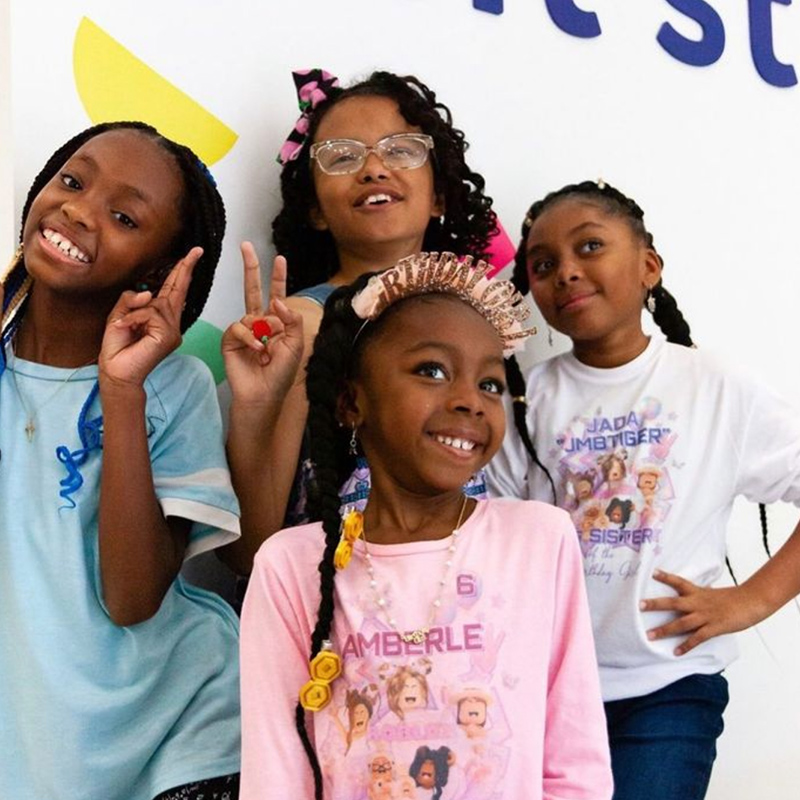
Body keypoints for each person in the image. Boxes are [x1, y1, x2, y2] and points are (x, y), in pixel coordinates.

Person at [240, 252, 613, 799]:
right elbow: (275, 776)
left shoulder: (540, 540)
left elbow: (575, 764)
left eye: (490, 384)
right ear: (351, 402)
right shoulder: (290, 565)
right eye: (432, 371)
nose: (470, 401)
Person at [486, 179, 800, 800]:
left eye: (590, 246)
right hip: (549, 690)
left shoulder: (713, 384)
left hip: (671, 690)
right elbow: (493, 534)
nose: (565, 272)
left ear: (648, 267)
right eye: (543, 265)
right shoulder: (525, 401)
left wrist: (751, 600)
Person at [0, 122, 242, 800]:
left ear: (157, 272)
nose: (78, 210)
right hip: (30, 744)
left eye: (124, 216)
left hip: (175, 734)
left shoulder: (174, 388)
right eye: (72, 181)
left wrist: (122, 390)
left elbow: (133, 600)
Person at [225, 69, 498, 570]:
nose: (373, 168)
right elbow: (250, 551)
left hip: (463, 603)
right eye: (342, 157)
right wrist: (253, 410)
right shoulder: (303, 325)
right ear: (315, 209)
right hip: (335, 606)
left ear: (439, 195)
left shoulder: (481, 318)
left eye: (401, 150)